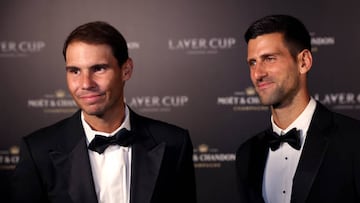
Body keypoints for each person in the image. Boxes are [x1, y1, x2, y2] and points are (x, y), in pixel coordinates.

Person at [11, 21, 197, 203]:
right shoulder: (37, 151)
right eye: (75, 71)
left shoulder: (175, 143)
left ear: (126, 70)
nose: (85, 84)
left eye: (98, 69)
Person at [236, 14, 360, 203]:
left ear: (304, 62)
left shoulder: (353, 140)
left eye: (269, 58)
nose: (258, 73)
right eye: (252, 62)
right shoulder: (247, 154)